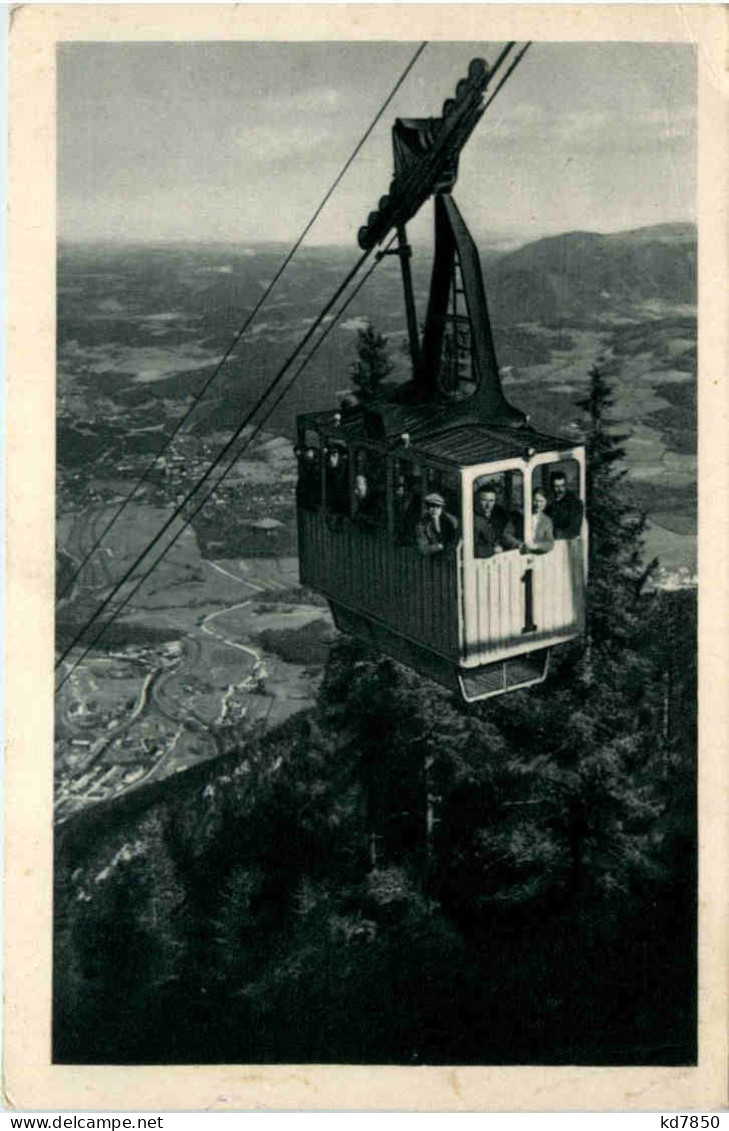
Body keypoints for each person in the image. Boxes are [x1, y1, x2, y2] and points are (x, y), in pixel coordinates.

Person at [473, 483, 519, 558]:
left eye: (491, 501)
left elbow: (506, 534)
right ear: (477, 499)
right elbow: (469, 548)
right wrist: (491, 550)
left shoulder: (500, 514)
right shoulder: (470, 518)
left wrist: (516, 544)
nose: (488, 505)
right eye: (484, 500)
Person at [546, 472, 584, 539]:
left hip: (566, 543)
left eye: (562, 486)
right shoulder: (548, 501)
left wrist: (556, 534)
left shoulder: (575, 503)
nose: (560, 490)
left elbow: (574, 530)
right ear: (551, 486)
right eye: (556, 486)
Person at [520, 488, 554, 554]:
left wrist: (536, 546)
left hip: (537, 558)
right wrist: (519, 544)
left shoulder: (547, 521)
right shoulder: (522, 516)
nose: (538, 504)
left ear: (546, 502)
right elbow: (507, 535)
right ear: (531, 500)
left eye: (541, 501)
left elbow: (550, 543)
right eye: (536, 501)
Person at [324, 444, 349, 515]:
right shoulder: (330, 472)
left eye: (334, 456)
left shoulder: (347, 473)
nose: (330, 459)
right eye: (329, 456)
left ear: (342, 457)